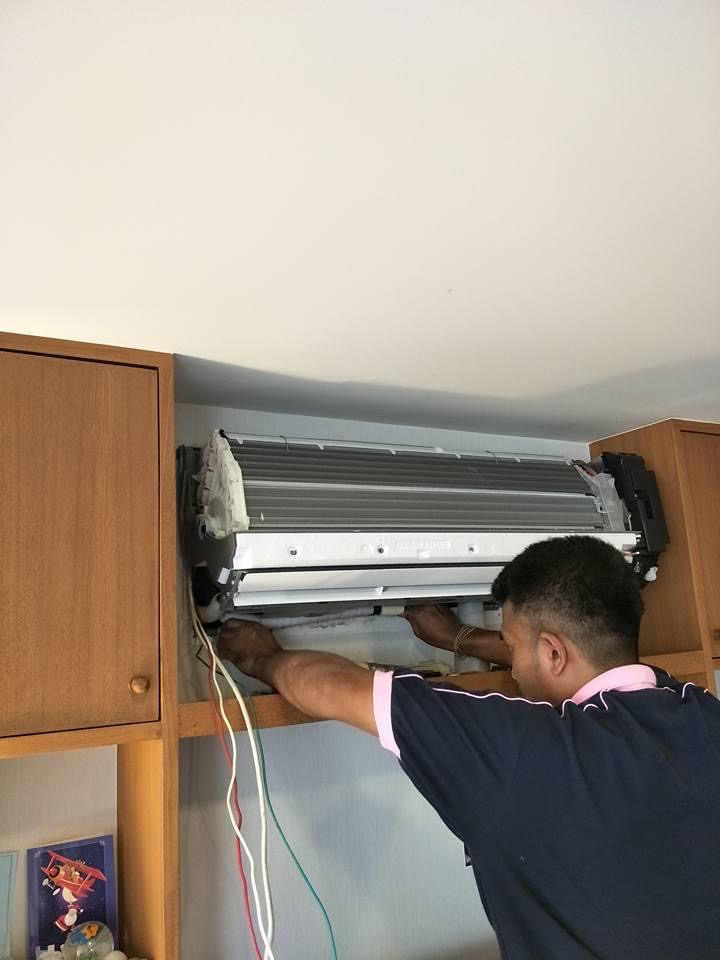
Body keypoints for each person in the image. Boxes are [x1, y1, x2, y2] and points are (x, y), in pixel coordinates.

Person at [218, 535, 720, 960]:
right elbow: (562, 652)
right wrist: (457, 637)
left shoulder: (521, 752)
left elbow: (330, 686)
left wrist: (261, 657)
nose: (513, 668)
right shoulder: (700, 709)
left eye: (513, 648)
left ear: (552, 652)